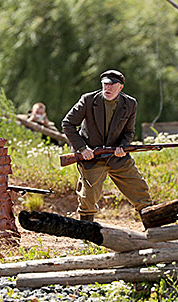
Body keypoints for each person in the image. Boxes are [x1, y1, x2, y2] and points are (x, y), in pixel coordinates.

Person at [62, 69, 153, 222]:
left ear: (120, 87)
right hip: (91, 156)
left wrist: (123, 146)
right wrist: (83, 149)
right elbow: (68, 124)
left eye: (112, 85)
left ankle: (152, 227)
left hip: (117, 157)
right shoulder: (88, 100)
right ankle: (86, 234)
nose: (107, 88)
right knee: (88, 195)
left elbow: (129, 131)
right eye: (105, 84)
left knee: (139, 190)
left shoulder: (130, 103)